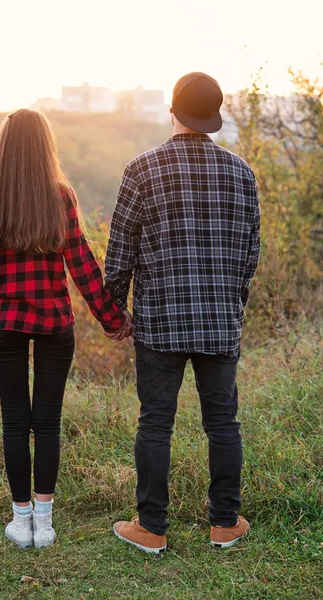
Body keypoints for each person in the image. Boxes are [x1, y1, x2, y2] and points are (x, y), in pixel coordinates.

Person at [105, 72, 261, 552]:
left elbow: (119, 253)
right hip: (219, 320)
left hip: (160, 320)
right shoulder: (241, 173)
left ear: (172, 110)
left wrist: (116, 307)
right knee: (223, 423)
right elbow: (251, 253)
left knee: (155, 421)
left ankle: (151, 529)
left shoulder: (142, 169)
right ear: (213, 119)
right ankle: (224, 524)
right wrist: (232, 304)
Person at [0, 109, 130, 549]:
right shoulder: (60, 196)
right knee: (49, 420)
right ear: (45, 147)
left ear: (1, 148)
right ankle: (45, 521)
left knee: (15, 420)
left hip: (5, 324)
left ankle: (21, 523)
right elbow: (82, 266)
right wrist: (113, 320)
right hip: (54, 322)